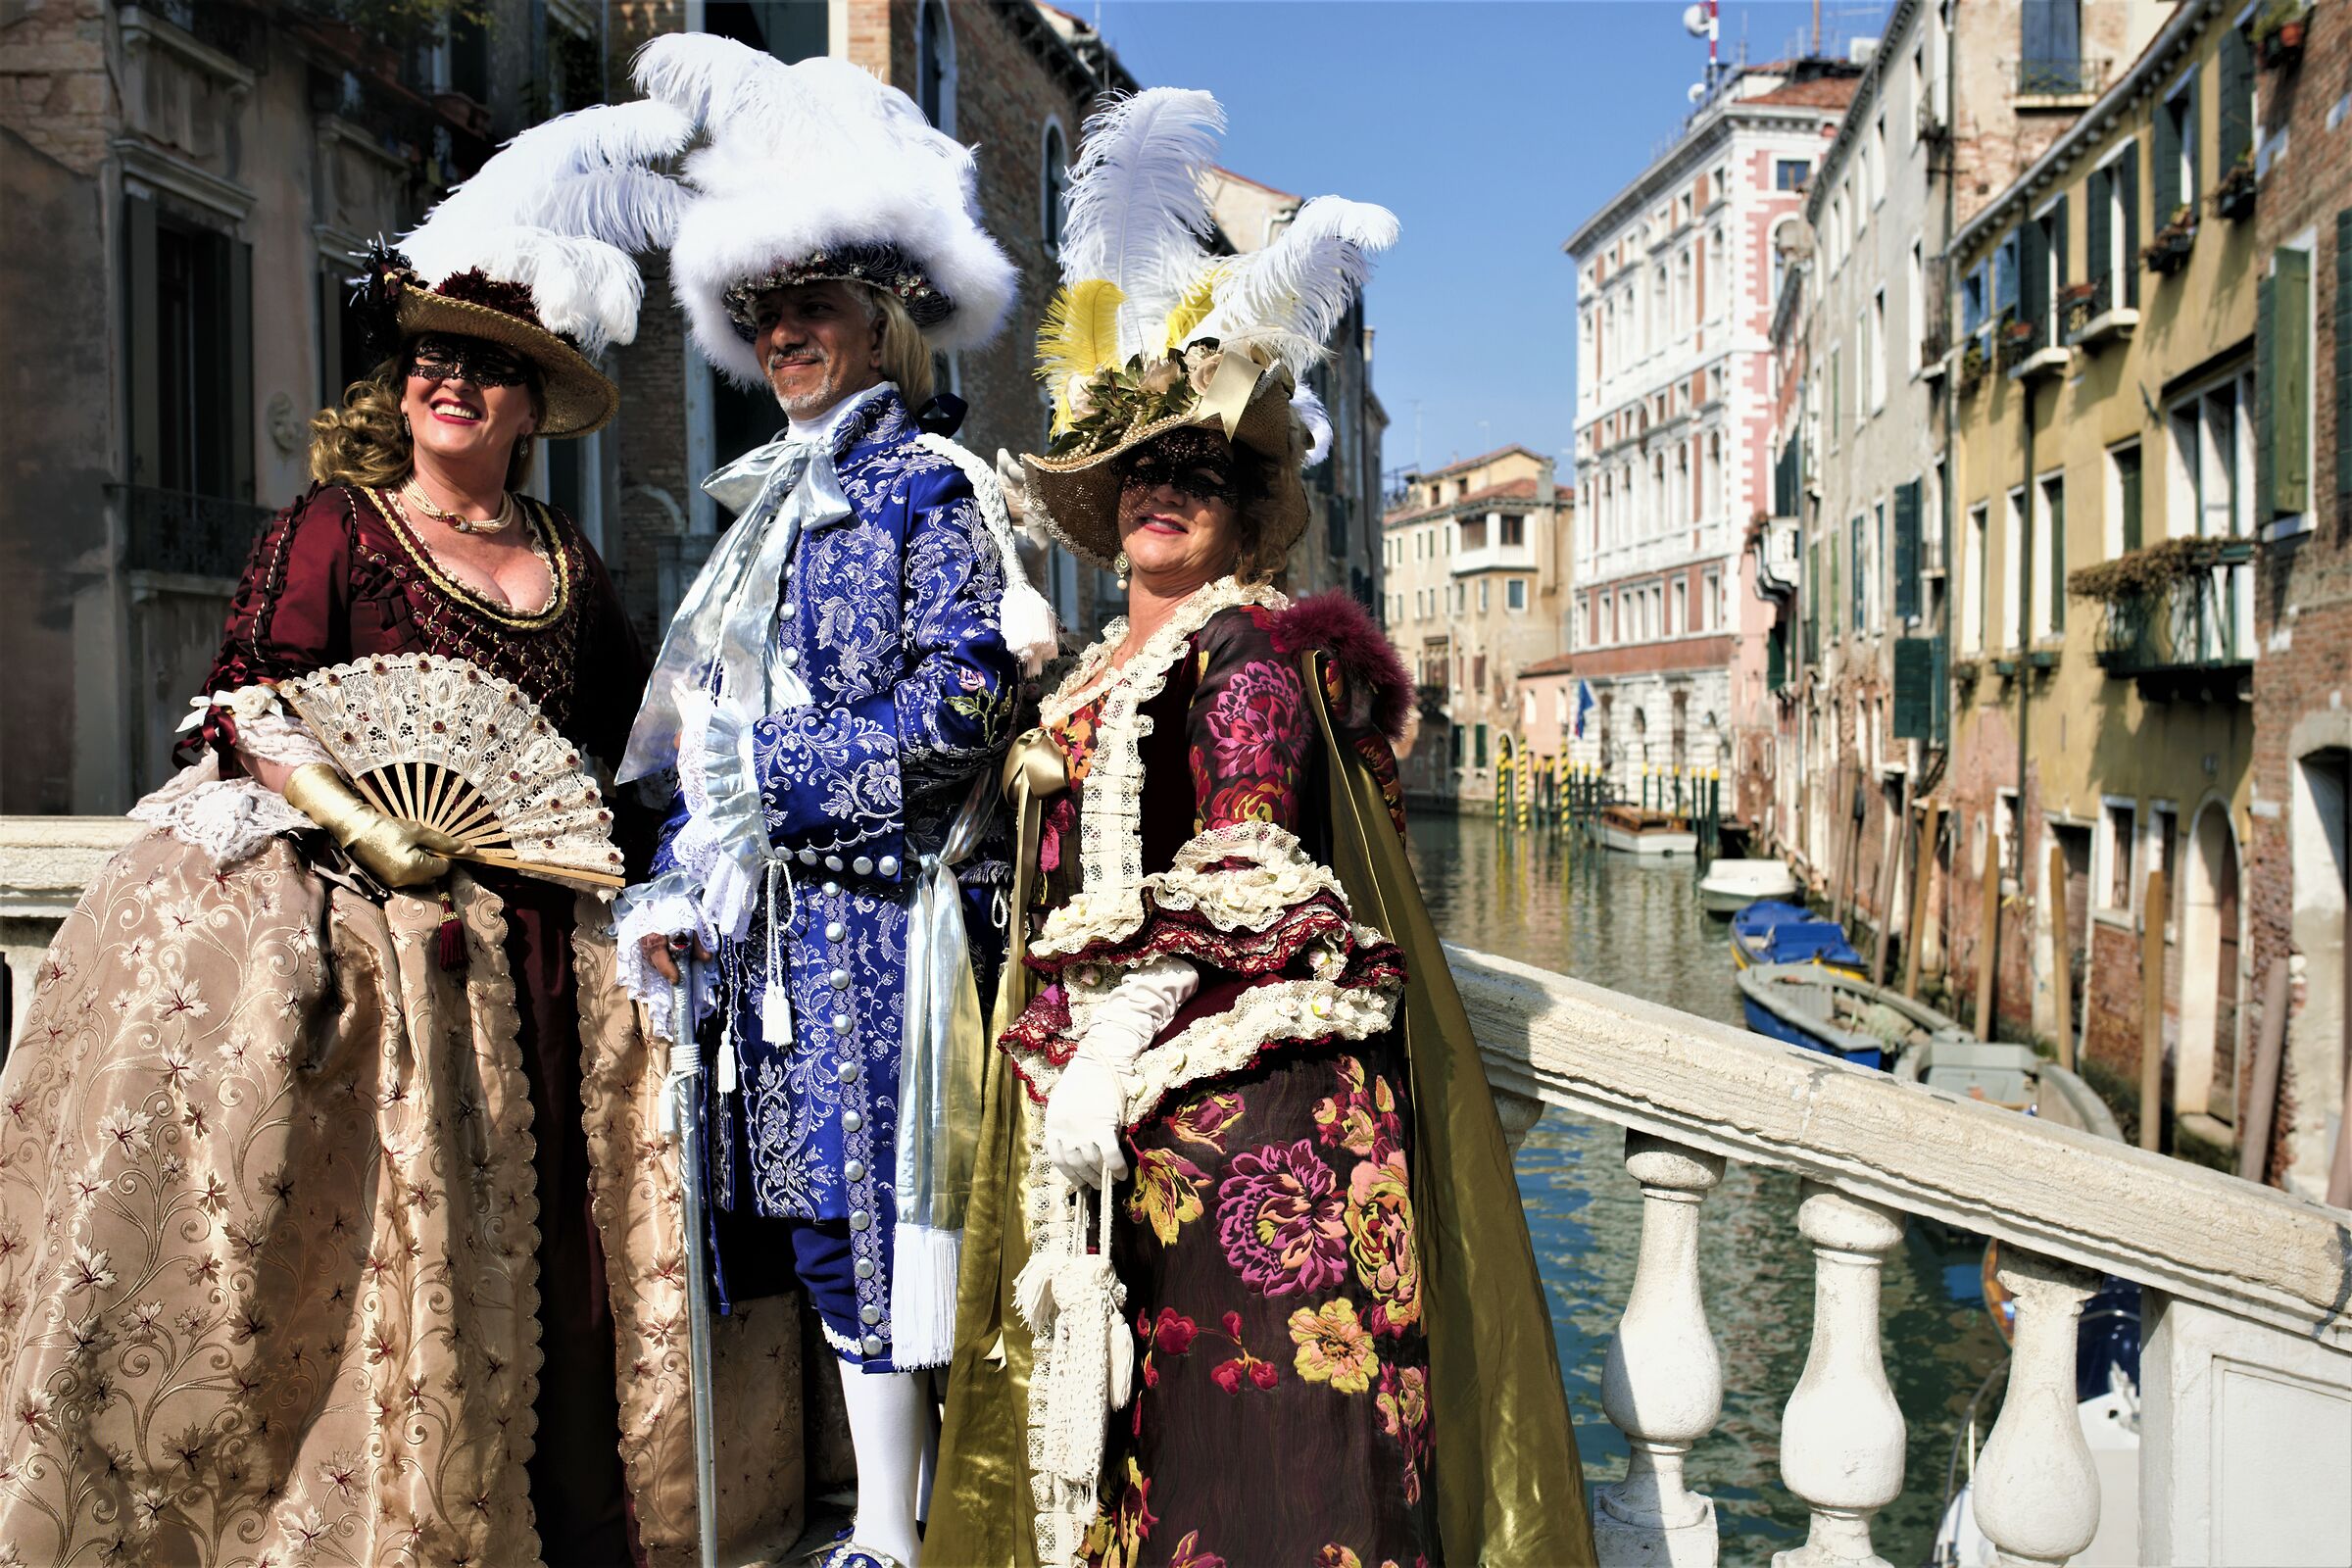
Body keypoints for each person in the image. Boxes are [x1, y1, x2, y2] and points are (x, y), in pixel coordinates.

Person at [0, 104, 809, 1568]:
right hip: (390, 919)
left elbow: (636, 757)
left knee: (576, 1245)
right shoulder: (336, 527)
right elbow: (247, 706)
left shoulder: (570, 562)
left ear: (528, 404)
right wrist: (366, 828)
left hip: (553, 942)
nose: (449, 380)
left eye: (484, 365)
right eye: (431, 356)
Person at [929, 90, 1593, 1567]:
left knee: (1247, 1451)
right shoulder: (1090, 672)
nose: (1164, 496)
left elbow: (1248, 864)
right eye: (1141, 474)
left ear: (1238, 508)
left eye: (1198, 475)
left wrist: (1107, 1052)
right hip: (1106, 1097)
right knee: (1117, 1431)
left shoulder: (1243, 652)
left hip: (1231, 1108)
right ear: (1104, 497)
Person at [612, 38, 1054, 1568]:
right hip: (781, 940)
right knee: (813, 1225)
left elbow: (966, 706)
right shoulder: (766, 511)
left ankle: (897, 1529)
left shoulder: (932, 491)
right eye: (764, 313)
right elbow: (699, 730)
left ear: (882, 322)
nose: (786, 334)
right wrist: (684, 877)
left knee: (886, 1226)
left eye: (814, 306)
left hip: (887, 931)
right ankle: (883, 1517)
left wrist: (773, 776)